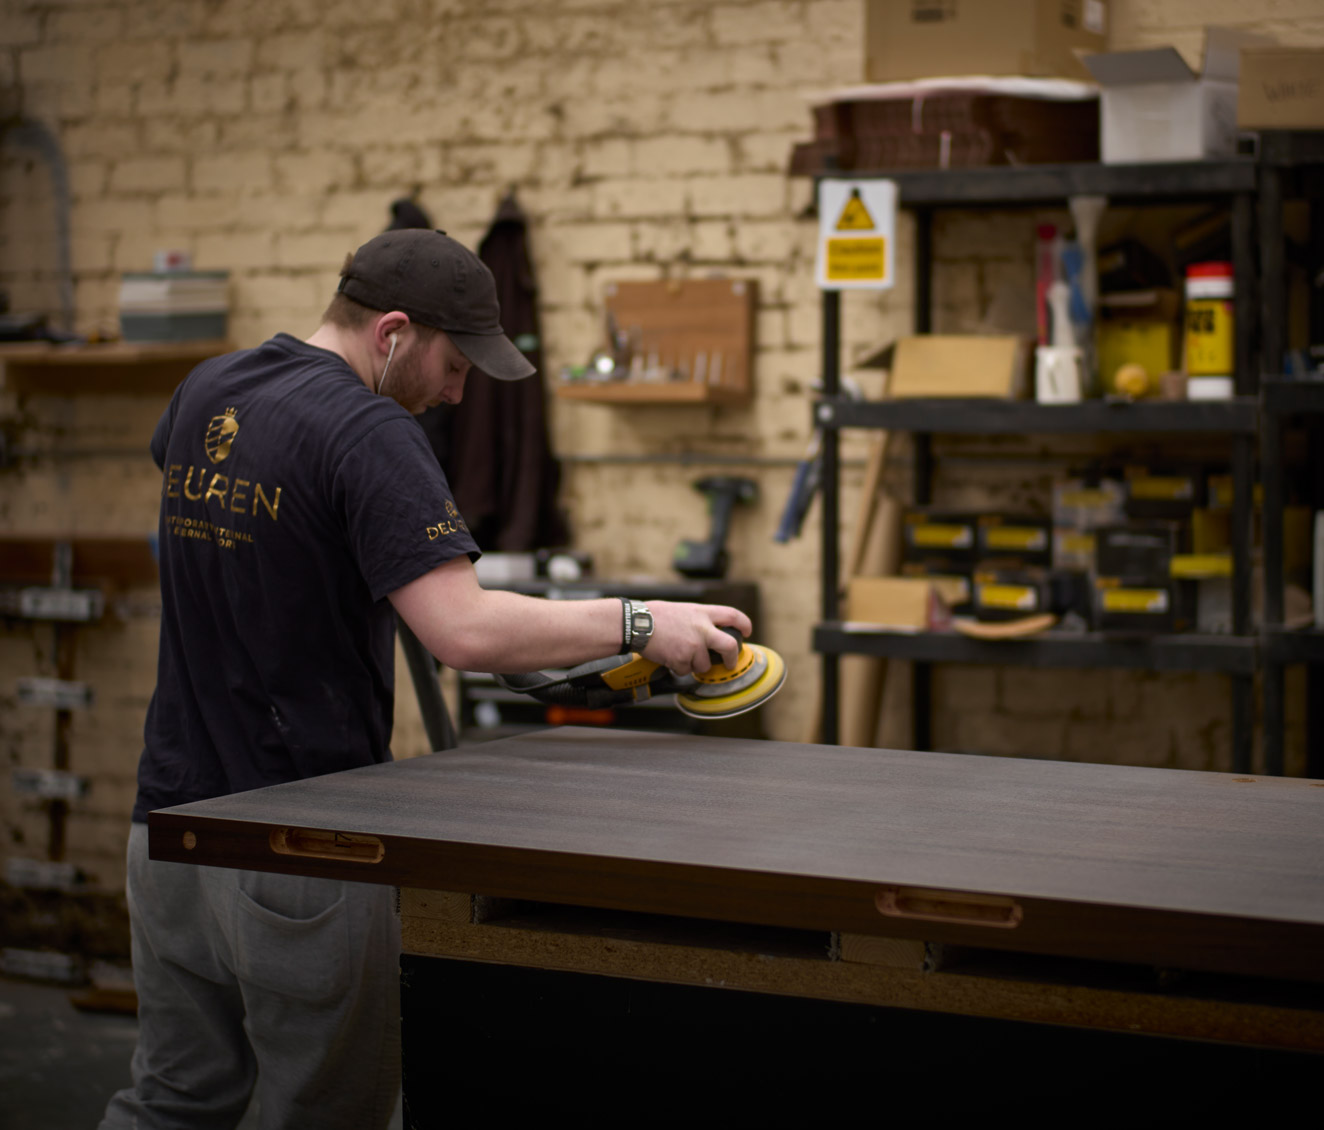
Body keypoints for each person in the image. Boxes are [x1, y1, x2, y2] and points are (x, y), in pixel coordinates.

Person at [100, 228, 751, 1130]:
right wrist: (644, 620)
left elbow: (249, 530)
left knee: (174, 1101)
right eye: (455, 363)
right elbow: (465, 630)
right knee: (329, 1116)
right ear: (393, 332)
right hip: (298, 848)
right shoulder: (368, 428)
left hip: (166, 830)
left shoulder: (213, 386)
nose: (458, 389)